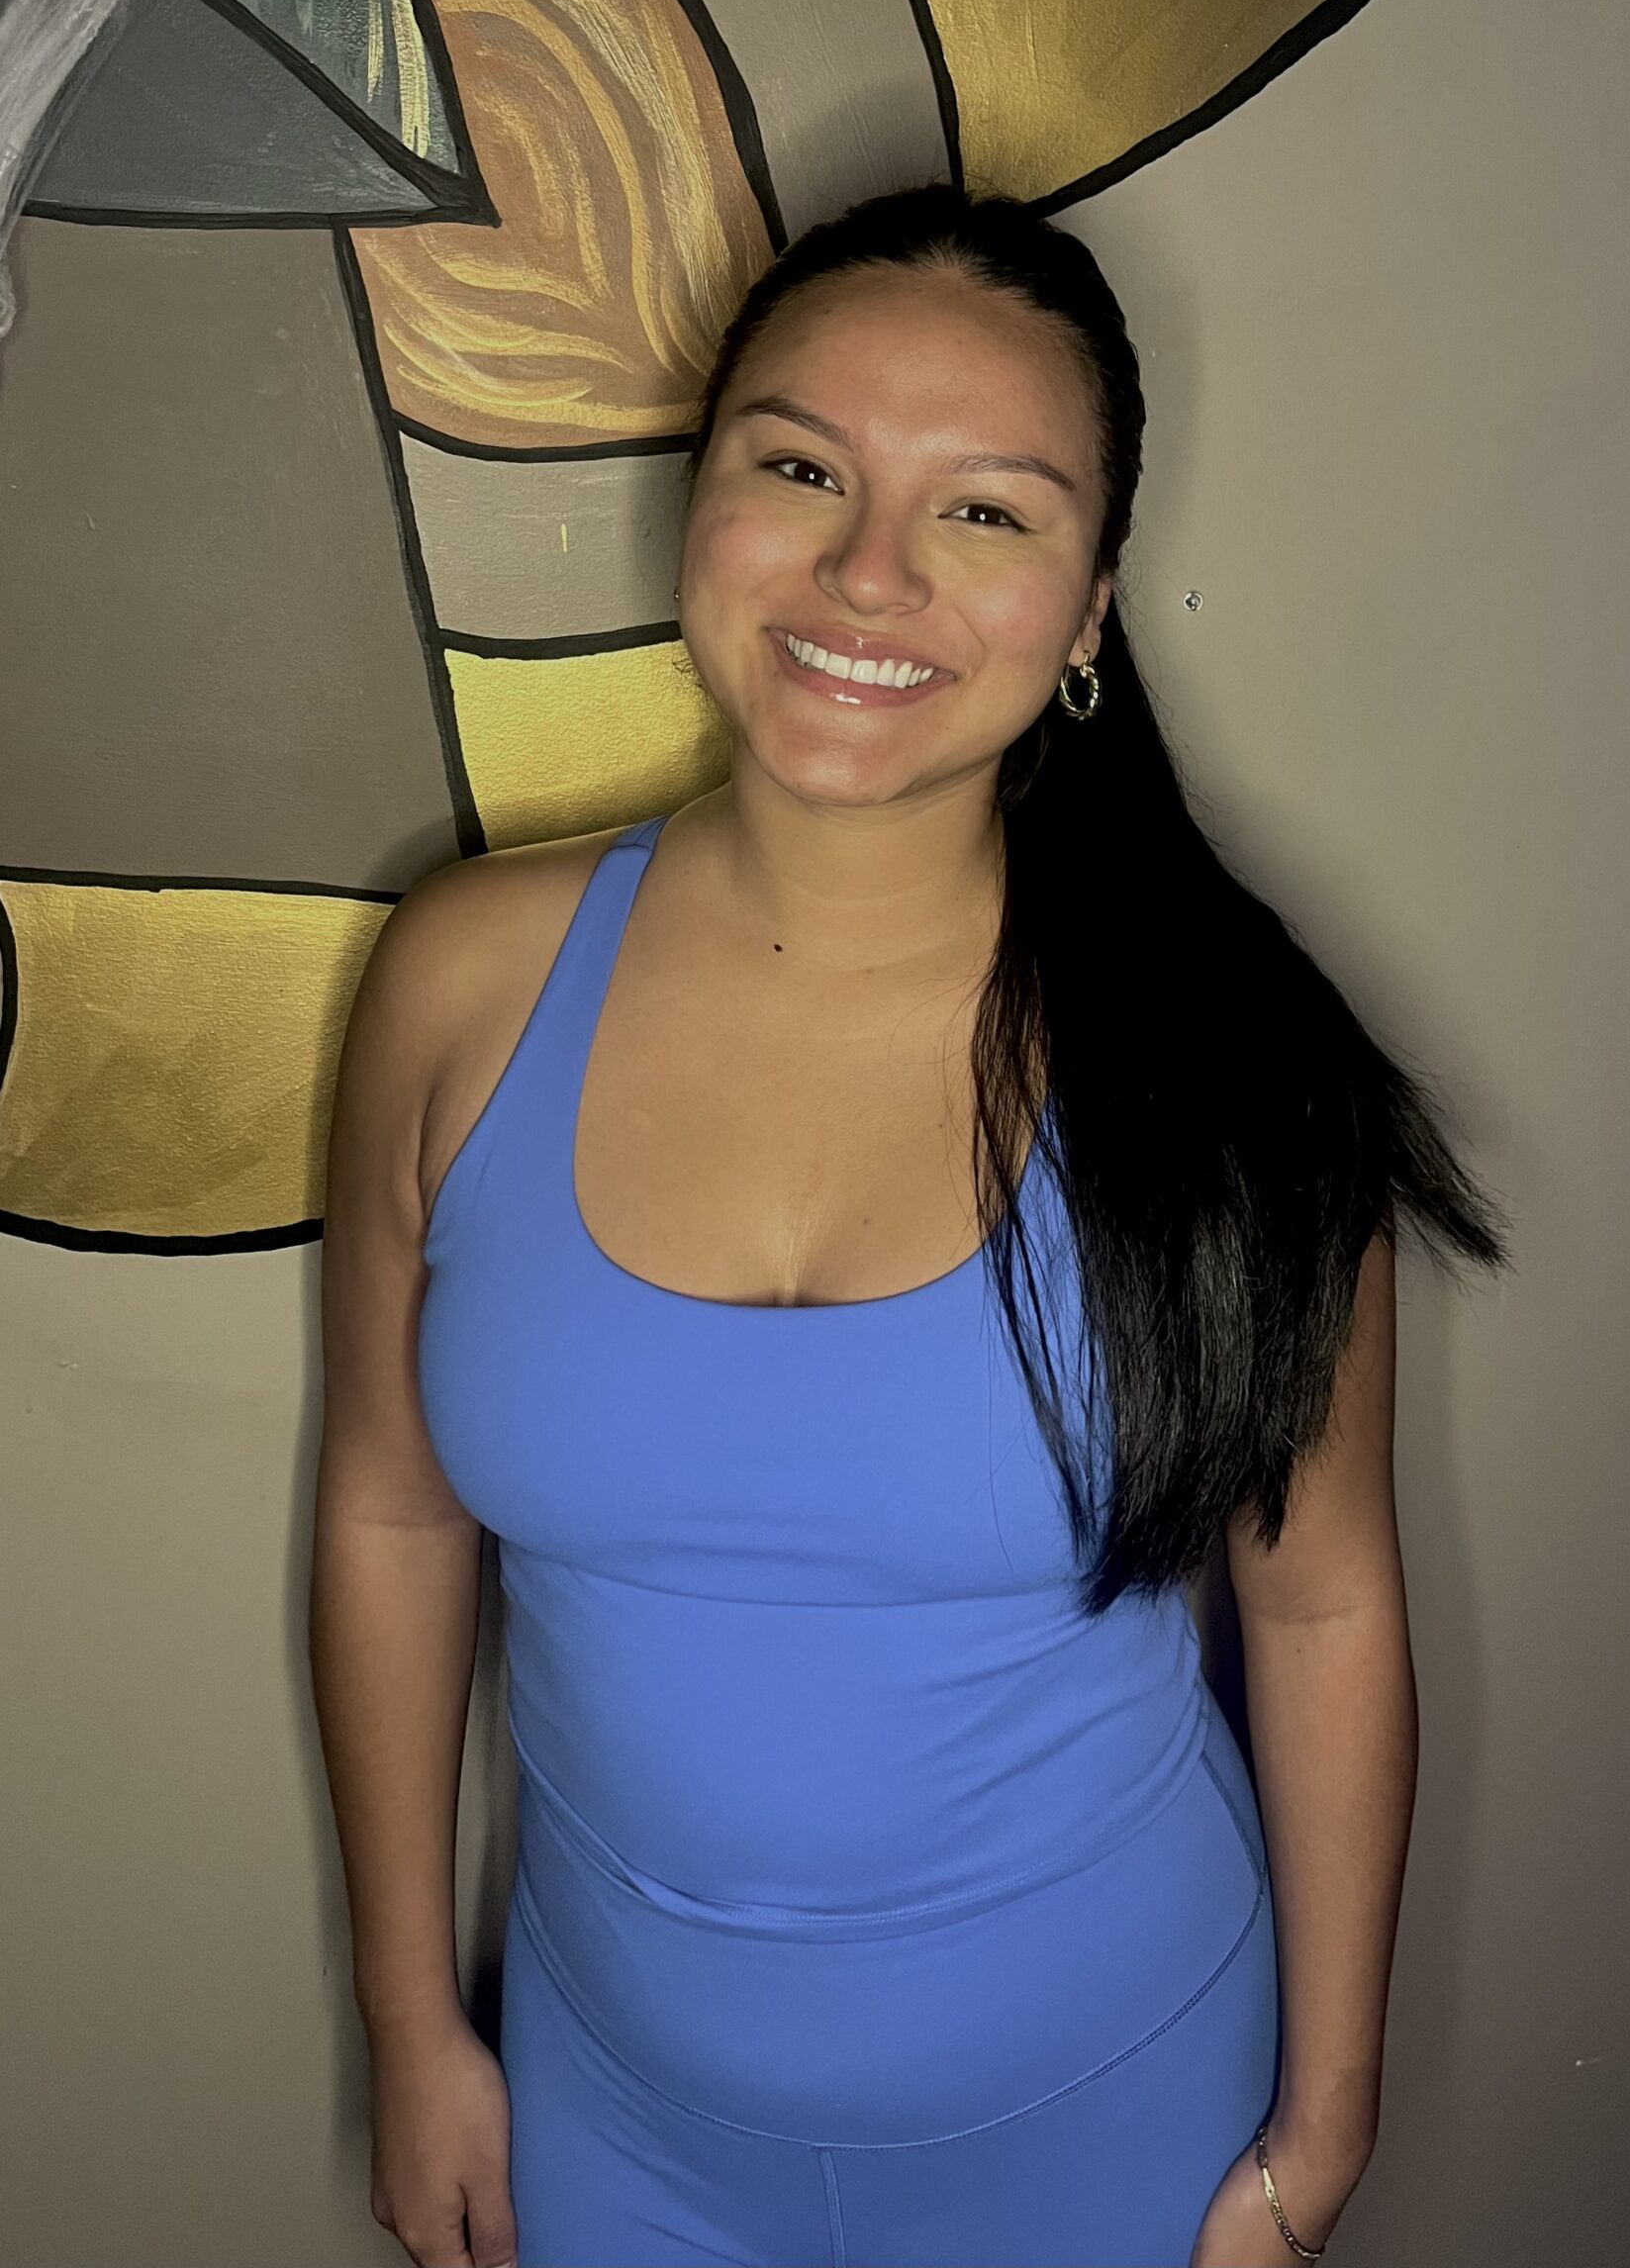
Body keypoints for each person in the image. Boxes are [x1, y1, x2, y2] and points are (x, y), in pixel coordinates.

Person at [310, 182, 1509, 2268]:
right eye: (802, 469)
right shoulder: (463, 979)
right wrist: (413, 2027)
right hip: (619, 2130)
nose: (870, 570)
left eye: (983, 510)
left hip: (1123, 2127)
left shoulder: (1231, 1062)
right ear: (702, 497)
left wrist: (1320, 2138)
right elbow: (391, 1511)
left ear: (1091, 606)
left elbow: (1322, 1609)